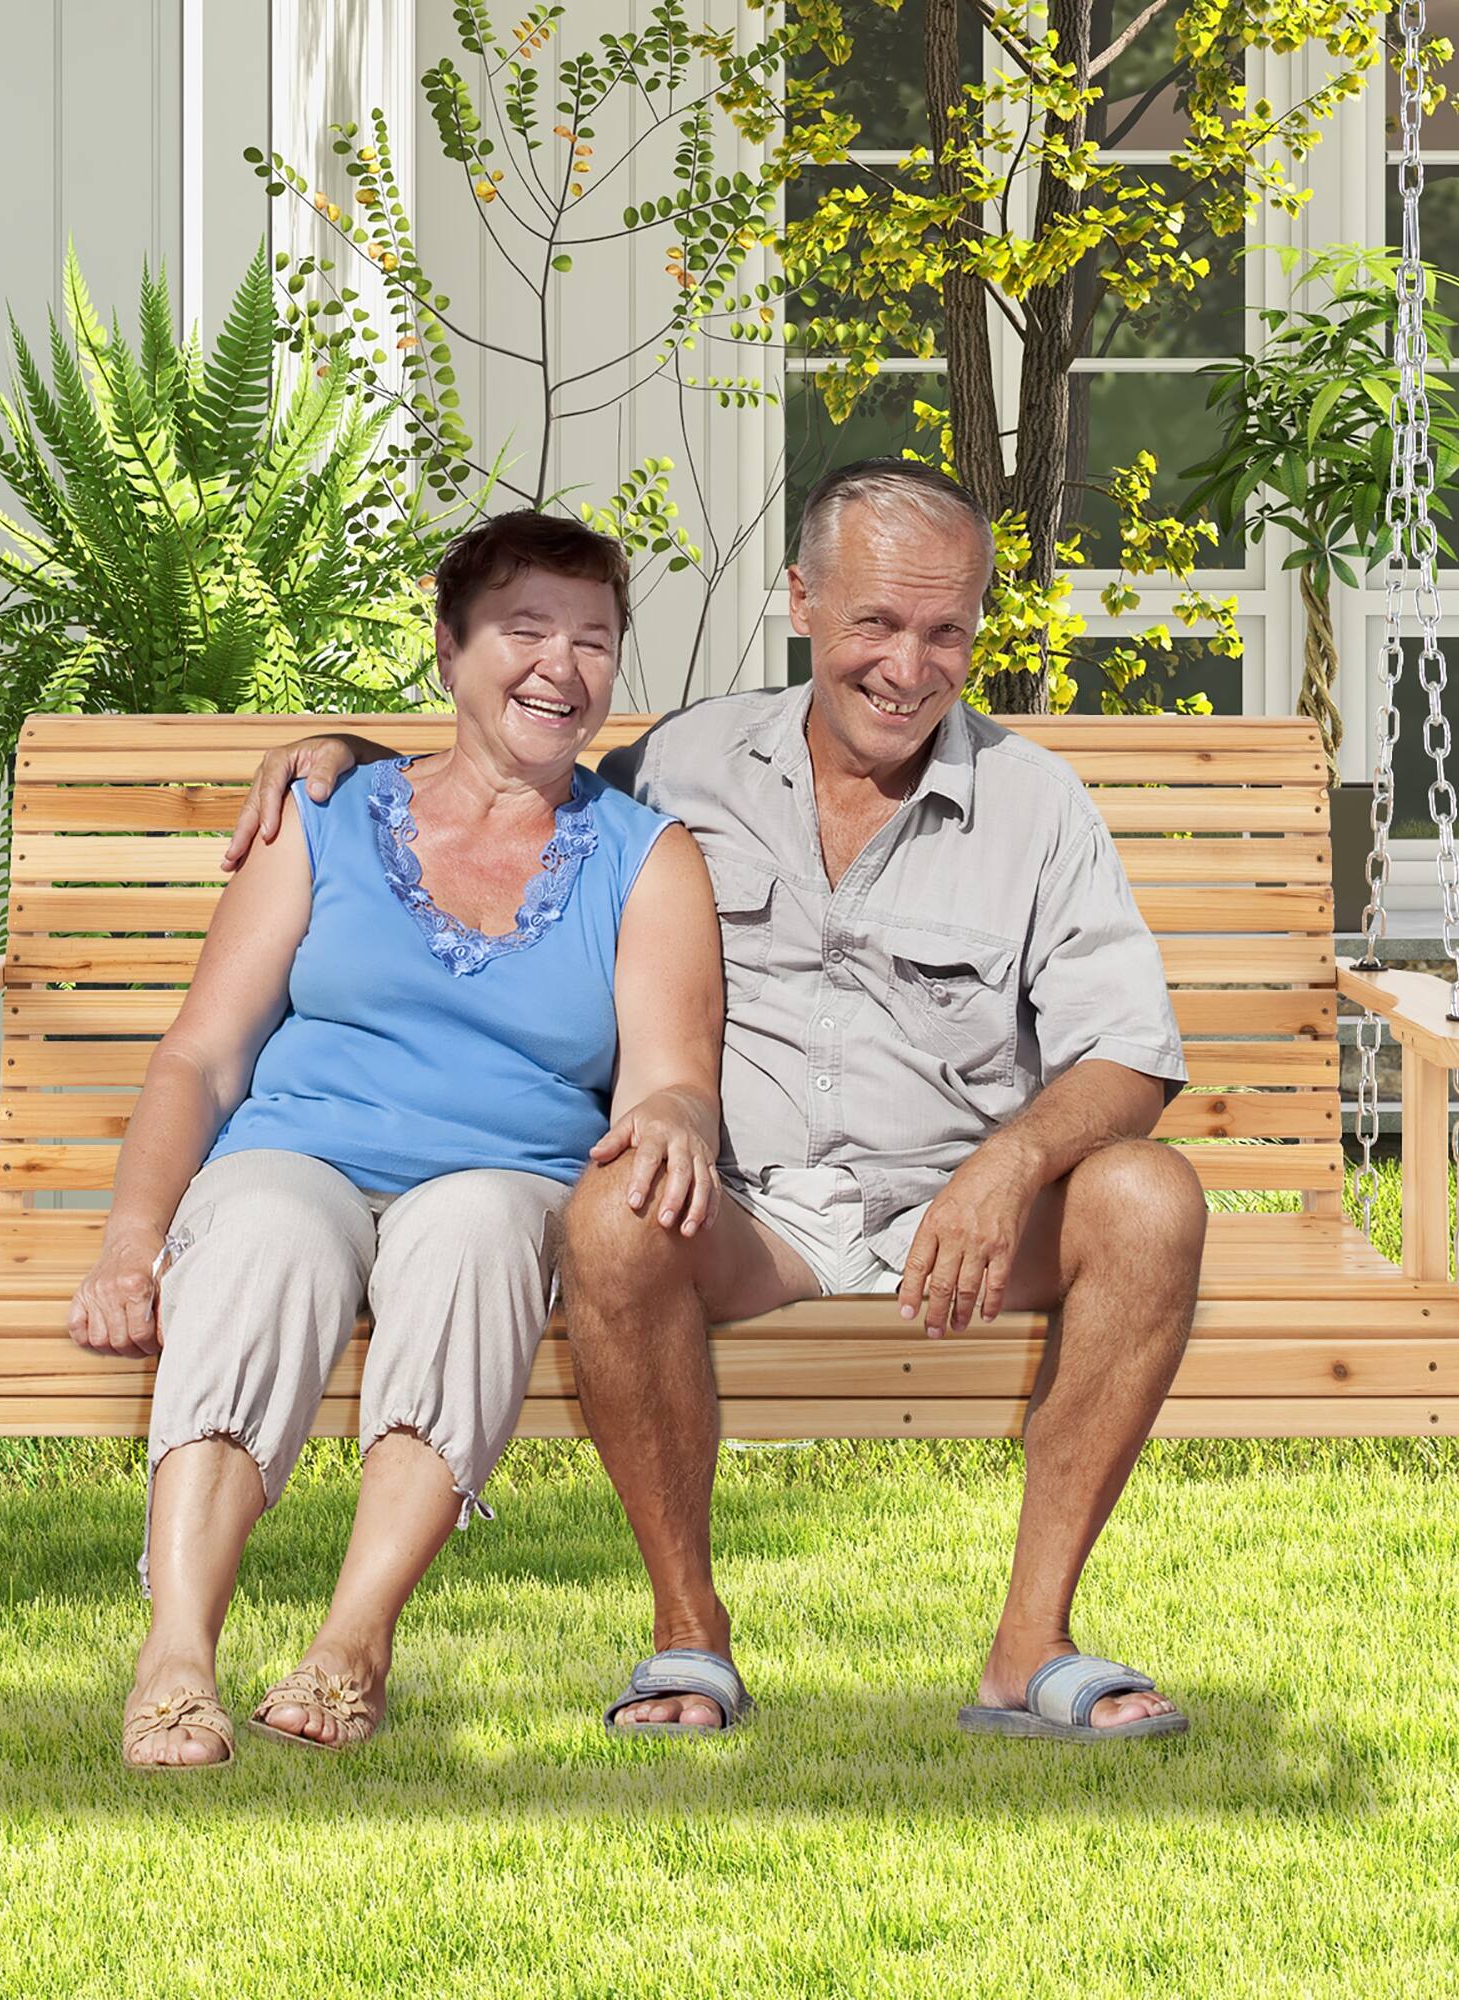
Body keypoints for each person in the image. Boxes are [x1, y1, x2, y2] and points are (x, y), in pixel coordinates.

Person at [224, 459, 1207, 1744]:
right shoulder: (684, 765)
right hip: (745, 1217)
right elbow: (514, 777)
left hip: (955, 1219)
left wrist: (1008, 1165)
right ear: (800, 601)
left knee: (1149, 1195)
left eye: (945, 631)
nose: (908, 667)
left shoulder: (1036, 804)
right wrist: (355, 761)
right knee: (614, 1211)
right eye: (874, 622)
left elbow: (1129, 1054)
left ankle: (1030, 1644)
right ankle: (688, 1632)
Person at [72, 509, 722, 1770]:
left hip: (503, 1175)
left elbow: (669, 1078)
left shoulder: (646, 858)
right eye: (524, 629)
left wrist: (671, 1116)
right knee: (261, 1228)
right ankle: (176, 1653)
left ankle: (354, 1639)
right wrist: (130, 1240)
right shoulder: (324, 812)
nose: (560, 666)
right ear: (448, 648)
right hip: (298, 1151)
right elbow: (201, 1055)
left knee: (476, 1234)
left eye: (593, 640)